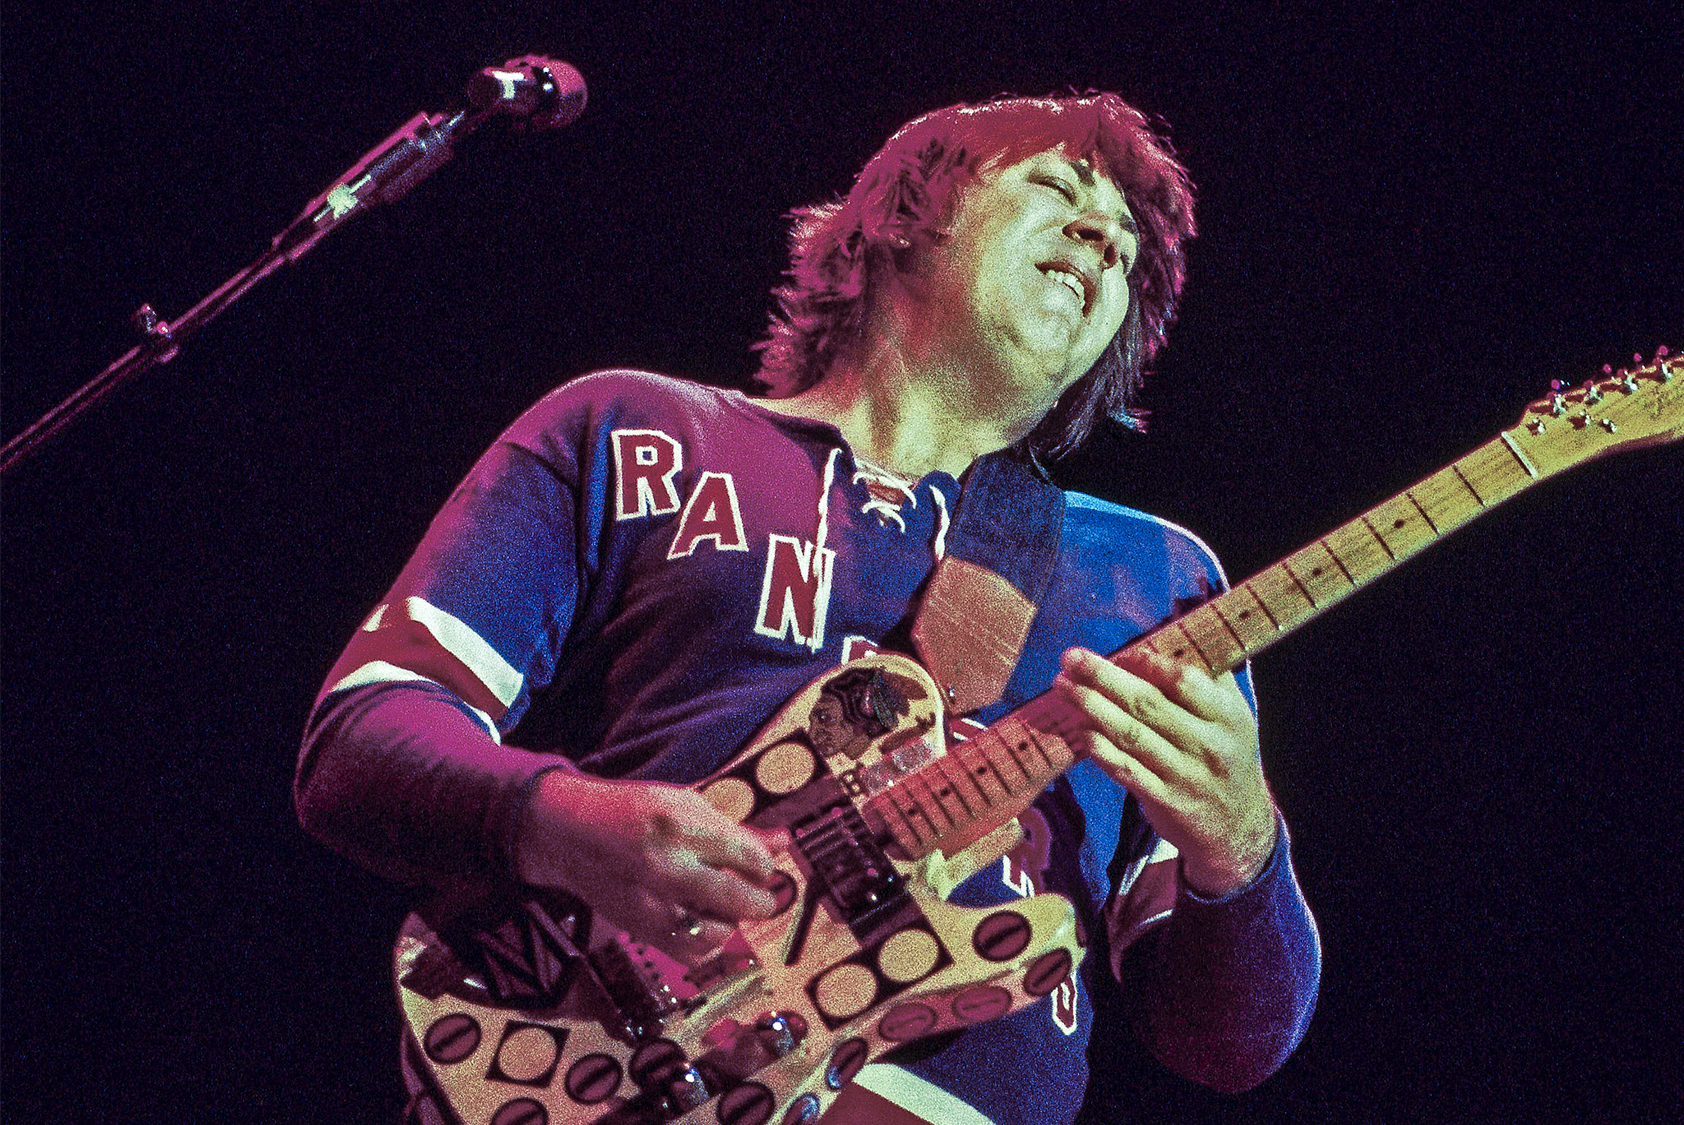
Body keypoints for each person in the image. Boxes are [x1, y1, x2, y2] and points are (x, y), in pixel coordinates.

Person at [297, 92, 1320, 1125]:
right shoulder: (637, 431)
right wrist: (561, 821)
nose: (1104, 237)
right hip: (610, 1077)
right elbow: (360, 739)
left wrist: (1238, 843)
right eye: (1056, 187)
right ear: (902, 222)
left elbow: (1228, 1046)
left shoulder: (1154, 581)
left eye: (1127, 245)